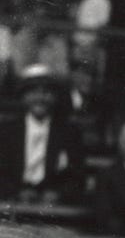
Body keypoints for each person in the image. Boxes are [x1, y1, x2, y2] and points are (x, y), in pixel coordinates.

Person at [0, 63, 84, 204]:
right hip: (14, 202)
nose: (40, 98)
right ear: (23, 96)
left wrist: (58, 194)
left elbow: (77, 177)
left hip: (53, 205)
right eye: (33, 92)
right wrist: (16, 192)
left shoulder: (69, 132)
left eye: (46, 92)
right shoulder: (6, 131)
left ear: (55, 96)